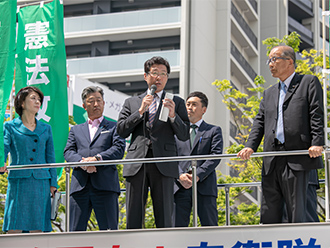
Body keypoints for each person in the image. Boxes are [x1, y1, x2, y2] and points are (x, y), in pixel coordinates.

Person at [237, 45, 324, 224]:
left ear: (290, 61)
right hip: (273, 157)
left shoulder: (308, 82)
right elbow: (259, 122)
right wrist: (249, 146)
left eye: (274, 59)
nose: (270, 64)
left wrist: (317, 142)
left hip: (298, 156)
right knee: (270, 209)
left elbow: (316, 113)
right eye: (269, 60)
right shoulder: (269, 93)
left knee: (297, 211)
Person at [117, 56, 190, 229]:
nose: (159, 77)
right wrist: (140, 111)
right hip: (137, 163)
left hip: (163, 163)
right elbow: (121, 130)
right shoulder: (132, 102)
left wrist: (173, 116)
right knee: (133, 215)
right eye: (155, 73)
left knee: (164, 216)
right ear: (146, 76)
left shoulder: (176, 101)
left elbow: (184, 135)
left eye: (163, 74)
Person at [64, 86, 125, 231]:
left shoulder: (114, 127)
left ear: (104, 103)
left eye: (99, 100)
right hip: (80, 187)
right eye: (91, 101)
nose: (96, 104)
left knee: (109, 232)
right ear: (84, 106)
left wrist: (97, 159)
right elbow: (68, 152)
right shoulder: (75, 129)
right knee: (75, 232)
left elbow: (118, 149)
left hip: (105, 186)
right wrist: (83, 163)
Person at [1, 86, 58, 233]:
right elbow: (4, 148)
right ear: (21, 103)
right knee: (15, 227)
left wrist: (53, 183)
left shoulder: (46, 128)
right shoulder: (9, 126)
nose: (37, 102)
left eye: (39, 99)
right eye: (33, 98)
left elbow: (50, 157)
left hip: (41, 183)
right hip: (19, 182)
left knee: (38, 228)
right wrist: (1, 163)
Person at [174, 91, 223, 227]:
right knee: (177, 229)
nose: (189, 107)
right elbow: (170, 156)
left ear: (204, 110)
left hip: (204, 186)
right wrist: (179, 175)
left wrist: (197, 175)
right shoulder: (176, 132)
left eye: (194, 105)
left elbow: (215, 156)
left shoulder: (213, 131)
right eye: (188, 104)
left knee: (209, 228)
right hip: (180, 186)